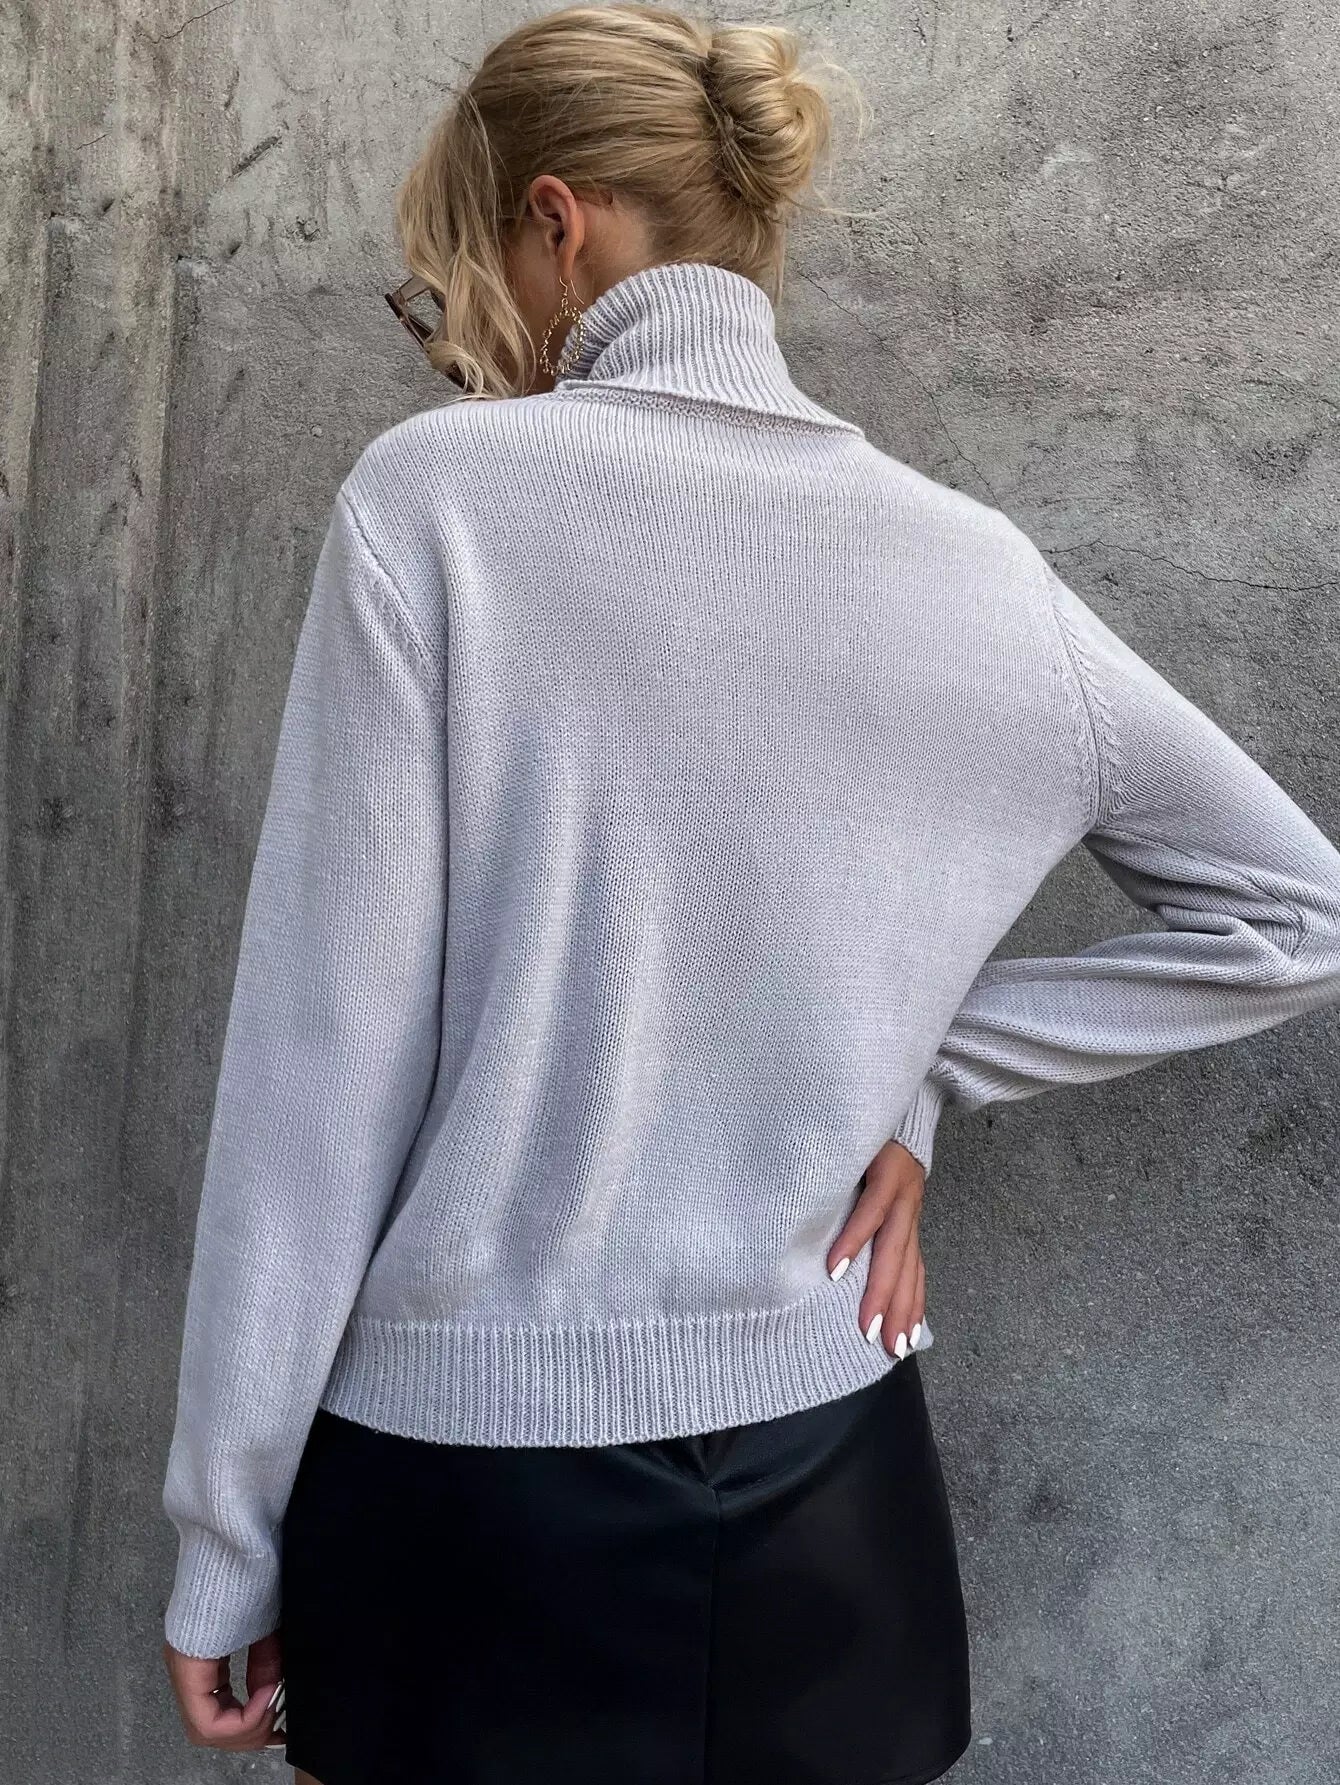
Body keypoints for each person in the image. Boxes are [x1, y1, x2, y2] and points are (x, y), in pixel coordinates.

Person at [159, 5, 1340, 1783]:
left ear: (556, 222)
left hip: (469, 1510)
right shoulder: (972, 567)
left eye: (449, 282)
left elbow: (319, 1075)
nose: (459, 335)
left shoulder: (438, 506)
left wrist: (225, 1534)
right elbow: (1297, 910)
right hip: (836, 1497)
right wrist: (921, 1068)